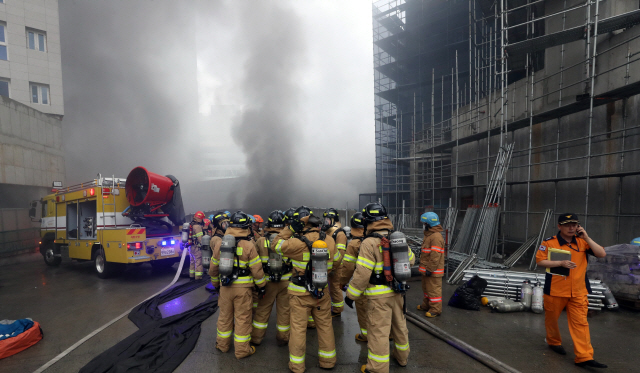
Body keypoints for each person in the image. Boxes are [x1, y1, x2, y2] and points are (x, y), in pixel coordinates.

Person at [345, 203, 415, 373]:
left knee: (379, 332)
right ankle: (402, 358)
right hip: (398, 293)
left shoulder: (369, 243)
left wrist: (351, 295)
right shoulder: (397, 237)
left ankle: (377, 368)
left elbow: (362, 274)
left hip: (378, 297)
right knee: (400, 326)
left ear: (367, 221)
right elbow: (411, 260)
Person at [536, 213, 607, 369]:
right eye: (567, 225)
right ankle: (554, 342)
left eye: (574, 225)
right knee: (552, 320)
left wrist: (587, 238)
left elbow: (601, 253)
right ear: (559, 226)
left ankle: (584, 357)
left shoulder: (582, 242)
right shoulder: (549, 243)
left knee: (581, 324)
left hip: (579, 291)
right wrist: (560, 262)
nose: (571, 228)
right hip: (555, 290)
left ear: (578, 226)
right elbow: (540, 260)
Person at [272, 206, 337, 372]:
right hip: (321, 291)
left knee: (298, 329)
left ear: (302, 225)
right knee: (325, 327)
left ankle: (297, 365)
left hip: (299, 293)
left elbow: (275, 245)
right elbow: (337, 261)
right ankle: (328, 362)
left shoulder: (295, 242)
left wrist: (290, 229)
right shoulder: (329, 240)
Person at [210, 211, 267, 359]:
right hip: (243, 290)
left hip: (225, 288)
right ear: (246, 226)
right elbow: (257, 270)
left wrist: (216, 285)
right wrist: (262, 286)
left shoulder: (221, 243)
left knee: (224, 317)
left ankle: (222, 345)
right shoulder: (249, 245)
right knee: (243, 319)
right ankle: (242, 351)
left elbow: (213, 268)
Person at [251, 210, 291, 346]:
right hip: (286, 281)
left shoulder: (261, 240)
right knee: (284, 310)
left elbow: (254, 261)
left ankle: (256, 338)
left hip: (267, 282)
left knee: (262, 310)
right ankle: (283, 338)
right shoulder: (288, 240)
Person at [340, 212, 368, 342]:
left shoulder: (354, 244)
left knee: (363, 311)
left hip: (363, 285)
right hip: (384, 284)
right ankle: (389, 334)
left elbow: (348, 268)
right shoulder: (378, 238)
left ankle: (366, 335)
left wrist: (342, 282)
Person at [416, 212, 445, 317]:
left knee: (434, 291)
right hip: (427, 270)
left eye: (424, 223)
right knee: (426, 289)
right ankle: (426, 305)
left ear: (428, 224)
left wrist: (430, 269)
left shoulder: (436, 237)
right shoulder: (429, 235)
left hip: (433, 271)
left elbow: (435, 256)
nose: (423, 225)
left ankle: (435, 309)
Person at [322, 208, 348, 317]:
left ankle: (337, 310)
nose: (326, 221)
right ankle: (332, 307)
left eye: (328, 219)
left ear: (334, 220)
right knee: (329, 288)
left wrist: (333, 268)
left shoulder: (339, 233)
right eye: (325, 219)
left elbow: (340, 255)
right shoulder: (327, 232)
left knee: (335, 288)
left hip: (336, 267)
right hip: (329, 266)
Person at [207, 211, 230, 288]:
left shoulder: (222, 236)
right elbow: (216, 261)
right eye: (224, 224)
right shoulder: (217, 239)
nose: (227, 226)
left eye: (228, 223)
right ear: (218, 226)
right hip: (222, 272)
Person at [188, 211, 205, 281]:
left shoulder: (190, 225)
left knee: (192, 261)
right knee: (198, 262)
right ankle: (198, 277)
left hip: (190, 246)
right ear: (199, 218)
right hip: (196, 247)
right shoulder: (197, 227)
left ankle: (191, 275)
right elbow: (200, 238)